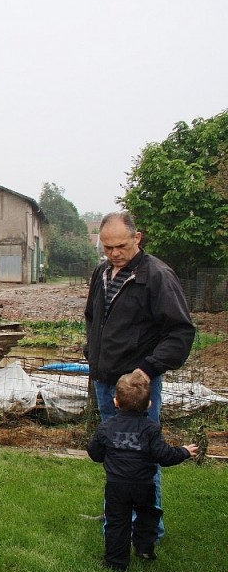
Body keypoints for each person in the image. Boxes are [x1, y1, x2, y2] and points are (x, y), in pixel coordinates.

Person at [84, 211, 195, 540]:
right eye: (107, 247)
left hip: (137, 386)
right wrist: (92, 352)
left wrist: (146, 369)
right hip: (105, 382)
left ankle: (147, 529)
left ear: (137, 238)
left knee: (142, 454)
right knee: (116, 453)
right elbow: (93, 318)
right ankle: (118, 514)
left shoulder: (156, 276)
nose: (114, 253)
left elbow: (180, 332)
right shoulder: (101, 272)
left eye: (120, 246)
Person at [87, 370, 198, 571]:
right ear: (149, 404)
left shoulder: (107, 427)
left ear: (115, 402)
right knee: (148, 514)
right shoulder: (151, 429)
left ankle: (115, 562)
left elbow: (94, 453)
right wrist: (183, 451)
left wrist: (109, 455)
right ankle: (144, 547)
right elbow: (164, 456)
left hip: (116, 486)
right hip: (144, 485)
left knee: (116, 523)